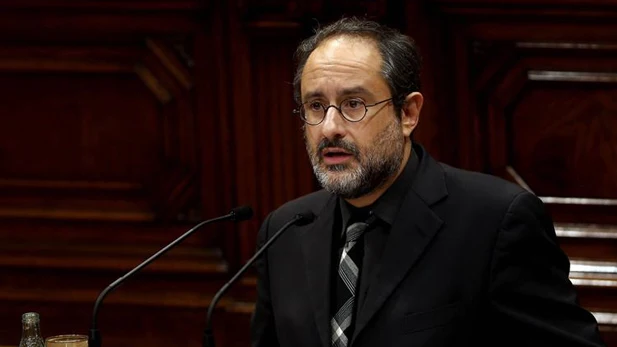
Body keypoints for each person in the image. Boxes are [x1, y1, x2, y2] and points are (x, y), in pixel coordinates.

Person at [250, 17, 605, 347]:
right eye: (315, 106)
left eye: (353, 103)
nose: (329, 128)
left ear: (408, 113)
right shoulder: (284, 230)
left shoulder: (496, 221)